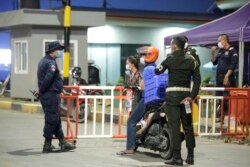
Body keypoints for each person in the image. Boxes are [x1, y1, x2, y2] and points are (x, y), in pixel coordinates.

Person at [155, 36, 201, 166]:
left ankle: (177, 158)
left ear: (174, 46)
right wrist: (191, 96)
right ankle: (190, 157)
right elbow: (197, 81)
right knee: (188, 127)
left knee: (175, 127)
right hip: (186, 97)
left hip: (172, 97)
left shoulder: (170, 58)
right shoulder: (192, 59)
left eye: (171, 46)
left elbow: (157, 71)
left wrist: (167, 58)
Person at [117, 46, 159, 155]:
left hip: (146, 99)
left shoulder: (146, 69)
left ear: (149, 56)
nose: (141, 58)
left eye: (143, 55)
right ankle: (138, 141)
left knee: (131, 121)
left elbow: (143, 86)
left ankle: (130, 148)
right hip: (157, 99)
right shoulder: (157, 67)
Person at [37, 41, 76, 153]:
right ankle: (47, 144)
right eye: (59, 49)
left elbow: (53, 80)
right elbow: (48, 79)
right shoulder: (51, 63)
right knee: (51, 120)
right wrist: (41, 91)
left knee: (55, 119)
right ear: (53, 50)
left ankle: (62, 142)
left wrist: (61, 89)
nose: (60, 52)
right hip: (50, 95)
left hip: (49, 94)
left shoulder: (43, 61)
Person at [210, 34, 238, 121]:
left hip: (228, 78)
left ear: (224, 41)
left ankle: (229, 117)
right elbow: (214, 62)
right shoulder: (221, 51)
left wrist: (227, 76)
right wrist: (212, 52)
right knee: (219, 97)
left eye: (219, 41)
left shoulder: (232, 50)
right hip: (219, 78)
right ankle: (220, 116)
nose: (218, 43)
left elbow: (233, 65)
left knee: (227, 98)